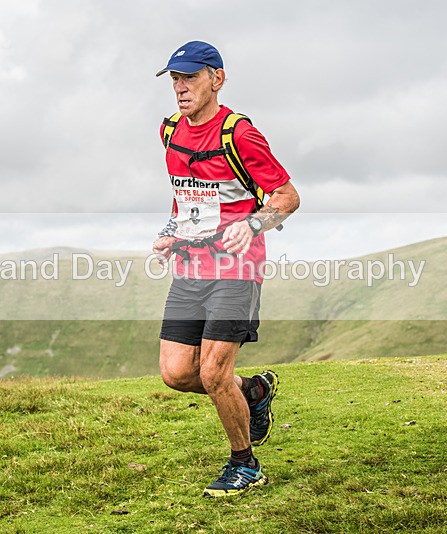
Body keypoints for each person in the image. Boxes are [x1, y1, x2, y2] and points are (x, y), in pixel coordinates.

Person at [152, 41, 300, 497]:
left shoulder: (240, 135)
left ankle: (245, 464)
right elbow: (187, 194)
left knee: (214, 373)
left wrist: (253, 224)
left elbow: (287, 197)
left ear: (216, 78)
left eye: (190, 78)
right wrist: (170, 232)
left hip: (237, 268)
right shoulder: (169, 131)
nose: (180, 88)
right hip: (190, 266)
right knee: (177, 374)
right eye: (174, 79)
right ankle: (253, 392)